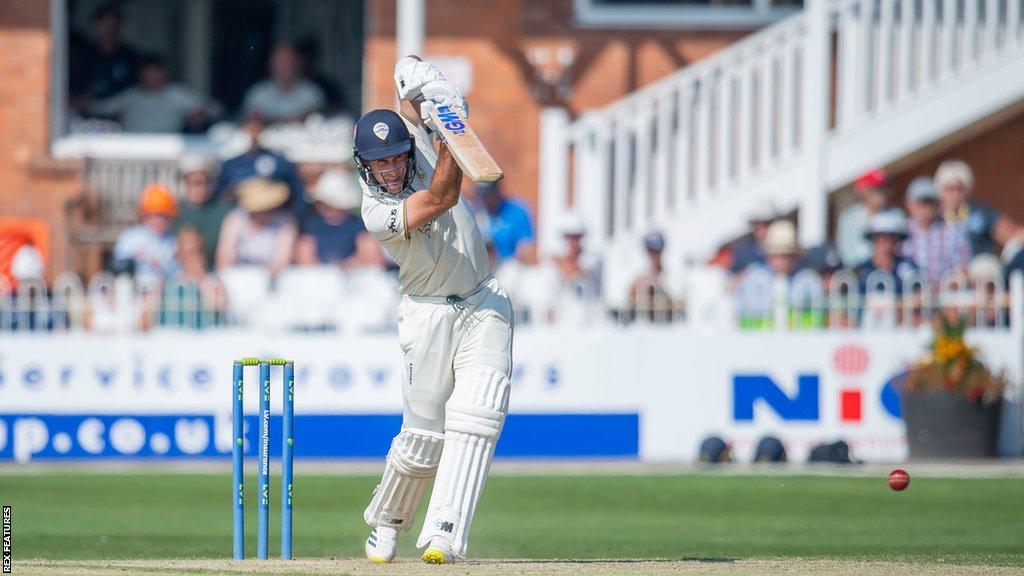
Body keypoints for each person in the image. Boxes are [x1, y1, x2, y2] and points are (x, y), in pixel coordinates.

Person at [356, 58, 512, 565]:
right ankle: (388, 520)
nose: (393, 167)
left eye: (398, 156)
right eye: (380, 162)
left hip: (483, 301)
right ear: (365, 165)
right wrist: (448, 129)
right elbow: (444, 195)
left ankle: (445, 532)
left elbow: (409, 88)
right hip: (427, 316)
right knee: (423, 437)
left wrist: (428, 87)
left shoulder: (415, 145)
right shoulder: (377, 212)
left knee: (478, 415)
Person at [90, 54, 217, 133]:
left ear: (165, 72)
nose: (153, 76)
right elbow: (101, 108)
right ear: (141, 74)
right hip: (130, 149)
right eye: (148, 72)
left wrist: (199, 114)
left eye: (156, 71)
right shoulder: (131, 95)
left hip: (168, 150)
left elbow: (213, 109)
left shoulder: (177, 94)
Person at [213, 114, 307, 214]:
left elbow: (297, 193)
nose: (253, 135)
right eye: (249, 130)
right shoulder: (230, 164)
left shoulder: (280, 161)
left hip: (275, 217)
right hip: (241, 217)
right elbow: (219, 195)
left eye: (257, 129)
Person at [935, 159, 1022, 257]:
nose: (955, 194)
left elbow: (1012, 233)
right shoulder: (935, 220)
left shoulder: (980, 213)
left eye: (960, 188)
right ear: (941, 192)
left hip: (981, 267)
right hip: (948, 270)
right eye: (950, 189)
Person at [215, 178, 298, 277]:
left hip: (272, 279)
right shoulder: (235, 219)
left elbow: (282, 260)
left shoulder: (285, 222)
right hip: (238, 276)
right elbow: (224, 258)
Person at [903, 176, 970, 286]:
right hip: (907, 297)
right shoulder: (900, 233)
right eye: (921, 202)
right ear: (909, 204)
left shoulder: (952, 232)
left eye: (930, 202)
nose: (926, 207)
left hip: (943, 297)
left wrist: (944, 286)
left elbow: (963, 270)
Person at [69, 2, 138, 105]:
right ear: (96, 25)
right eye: (105, 24)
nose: (109, 30)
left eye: (114, 25)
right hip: (85, 113)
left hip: (119, 114)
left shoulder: (129, 56)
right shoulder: (82, 54)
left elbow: (135, 90)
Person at [295, 169, 368, 266]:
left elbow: (370, 257)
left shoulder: (358, 225)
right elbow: (304, 257)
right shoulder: (312, 225)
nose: (325, 207)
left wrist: (345, 266)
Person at [111, 183, 179, 286]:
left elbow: (177, 272)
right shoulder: (131, 237)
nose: (158, 220)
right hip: (133, 292)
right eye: (154, 215)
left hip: (163, 293)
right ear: (145, 215)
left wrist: (159, 266)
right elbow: (116, 266)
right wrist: (132, 260)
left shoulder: (173, 242)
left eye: (163, 216)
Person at [240, 44, 326, 124]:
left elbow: (314, 118)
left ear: (298, 64)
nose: (285, 68)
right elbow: (251, 122)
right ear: (271, 65)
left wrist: (270, 120)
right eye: (280, 63)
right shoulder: (257, 93)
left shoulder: (312, 92)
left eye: (289, 62)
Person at [176, 154, 231, 269]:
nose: (202, 188)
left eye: (207, 182)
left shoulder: (224, 211)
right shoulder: (175, 211)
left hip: (215, 272)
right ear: (186, 182)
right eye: (196, 182)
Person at [836, 168, 898, 268]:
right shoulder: (848, 219)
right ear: (862, 190)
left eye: (883, 187)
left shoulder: (896, 216)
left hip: (890, 274)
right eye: (874, 188)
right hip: (859, 275)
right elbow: (846, 257)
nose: (880, 193)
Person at [855, 211, 917, 293]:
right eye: (881, 237)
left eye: (891, 237)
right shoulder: (861, 270)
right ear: (873, 239)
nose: (886, 242)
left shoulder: (907, 266)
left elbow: (919, 292)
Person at [474, 181, 534, 261]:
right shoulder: (476, 212)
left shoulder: (516, 212)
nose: (485, 199)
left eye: (488, 194)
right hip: (484, 267)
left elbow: (526, 248)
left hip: (510, 267)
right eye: (482, 195)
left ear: (497, 190)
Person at [627, 231, 676, 322]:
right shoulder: (639, 279)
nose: (654, 255)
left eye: (657, 251)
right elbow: (630, 303)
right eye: (651, 251)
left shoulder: (672, 278)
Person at [729, 199, 777, 274]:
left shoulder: (789, 247)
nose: (761, 229)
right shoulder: (743, 253)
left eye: (766, 224)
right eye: (756, 224)